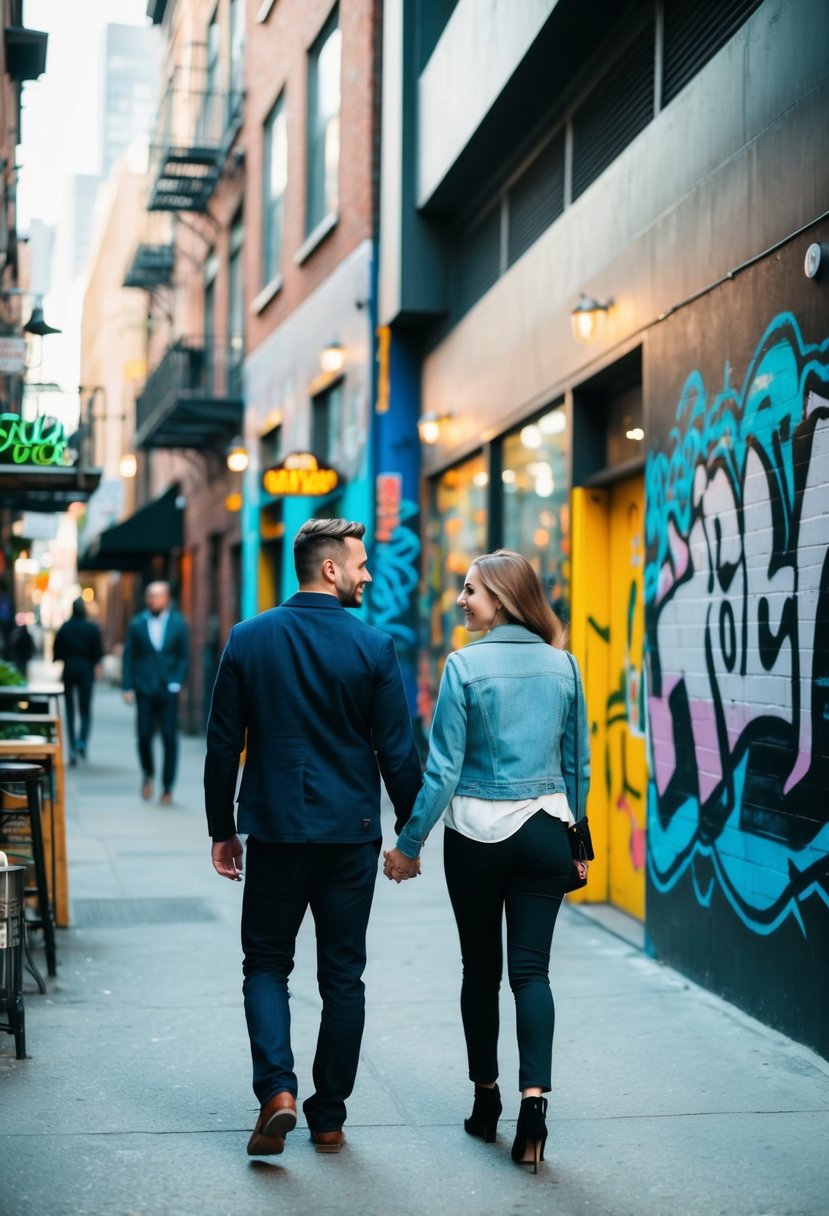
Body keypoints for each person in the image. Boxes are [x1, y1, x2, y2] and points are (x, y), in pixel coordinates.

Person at [205, 518, 421, 1159]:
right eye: (359, 563)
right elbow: (398, 754)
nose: (368, 574)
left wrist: (223, 830)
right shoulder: (374, 648)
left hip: (273, 830)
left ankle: (277, 1093)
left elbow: (223, 747)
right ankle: (328, 1118)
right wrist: (409, 837)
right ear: (330, 567)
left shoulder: (248, 639)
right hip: (349, 834)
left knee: (267, 964)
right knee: (343, 977)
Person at [383, 550, 590, 1172]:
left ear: (500, 597)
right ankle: (534, 1107)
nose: (461, 599)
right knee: (533, 973)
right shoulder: (565, 666)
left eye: (469, 590)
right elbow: (577, 764)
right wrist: (579, 840)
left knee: (481, 971)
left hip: (477, 836)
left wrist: (409, 843)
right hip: (549, 831)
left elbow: (443, 768)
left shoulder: (464, 666)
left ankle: (485, 1102)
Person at [122, 581, 189, 804]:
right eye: (149, 596)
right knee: (143, 737)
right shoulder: (137, 623)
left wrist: (177, 682)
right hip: (144, 689)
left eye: (157, 596)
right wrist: (127, 686)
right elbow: (129, 656)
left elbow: (184, 657)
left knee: (170, 738)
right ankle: (148, 774)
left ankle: (168, 786)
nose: (152, 600)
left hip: (168, 690)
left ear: (167, 599)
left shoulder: (179, 624)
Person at [53, 599, 103, 764]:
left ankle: (73, 746)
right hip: (86, 670)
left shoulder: (66, 627)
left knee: (70, 709)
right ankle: (82, 743)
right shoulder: (92, 628)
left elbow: (57, 649)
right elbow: (98, 652)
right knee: (85, 709)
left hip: (69, 668)